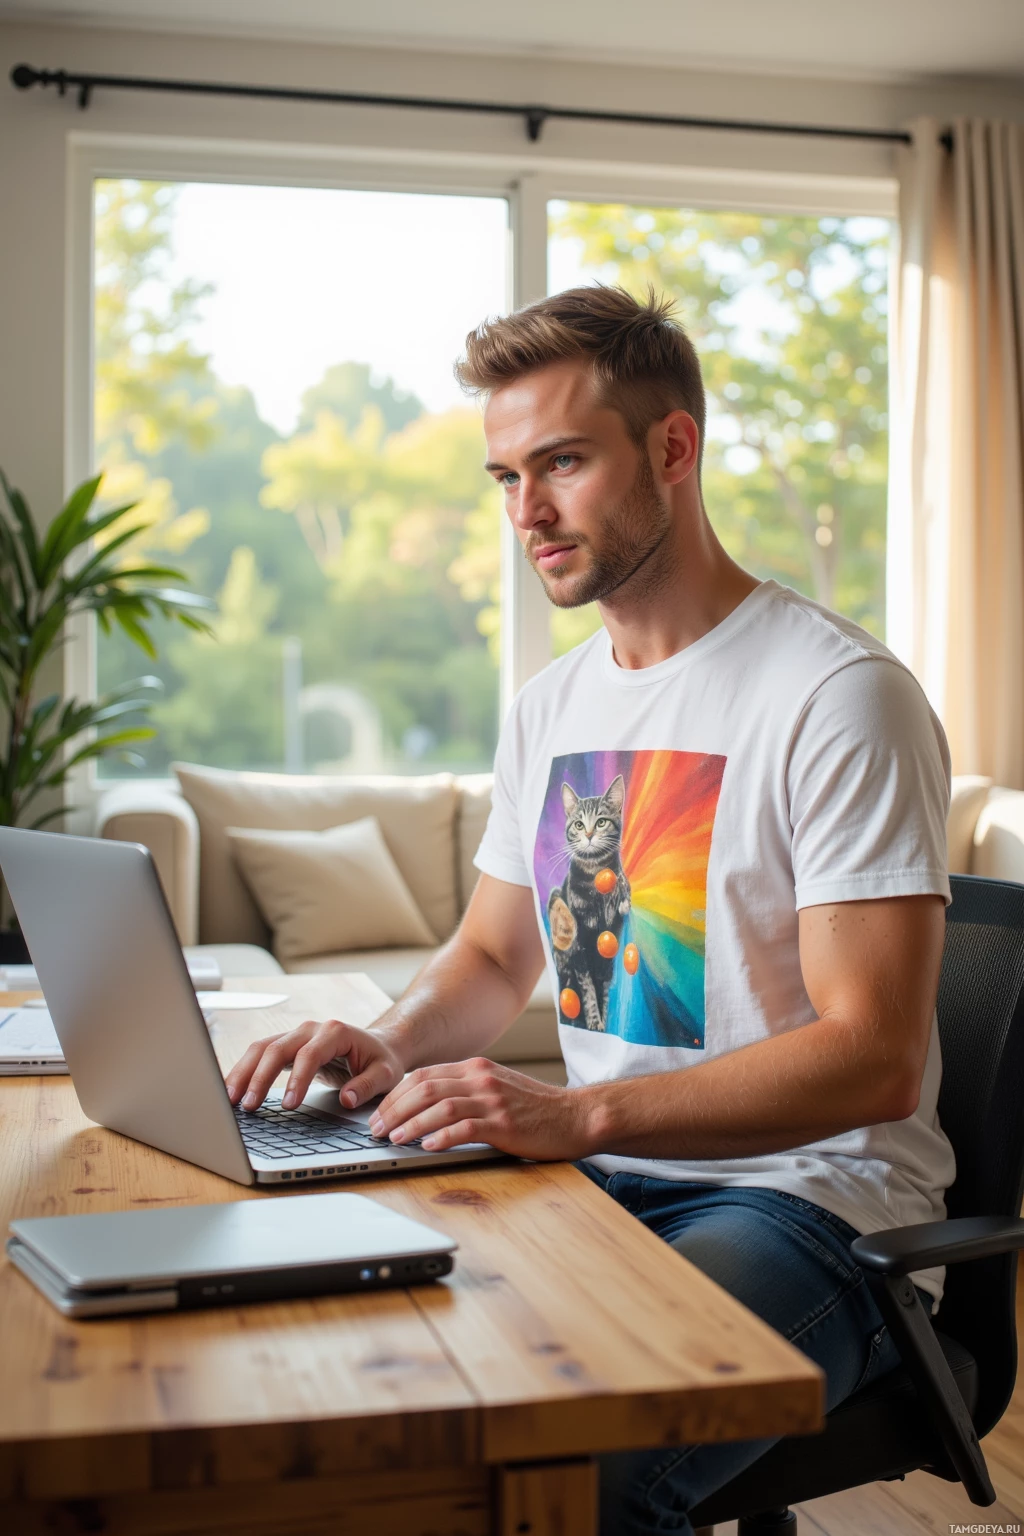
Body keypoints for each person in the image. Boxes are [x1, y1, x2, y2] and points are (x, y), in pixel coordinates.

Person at [226, 286, 954, 1535]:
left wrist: (574, 1112)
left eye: (560, 462)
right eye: (506, 476)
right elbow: (495, 953)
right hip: (592, 1181)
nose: (528, 513)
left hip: (805, 1206)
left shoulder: (836, 696)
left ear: (672, 450)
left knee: (575, 1467)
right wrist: (394, 1043)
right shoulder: (552, 707)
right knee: (358, 1386)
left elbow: (874, 1058)